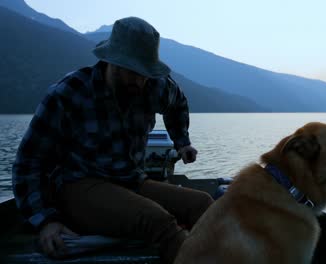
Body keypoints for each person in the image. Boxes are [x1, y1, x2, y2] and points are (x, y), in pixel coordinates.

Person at [11, 17, 213, 263]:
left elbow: (178, 104)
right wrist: (45, 221)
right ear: (110, 61)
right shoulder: (69, 93)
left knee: (204, 205)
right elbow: (29, 163)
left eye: (145, 73)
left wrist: (182, 141)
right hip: (78, 185)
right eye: (131, 71)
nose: (139, 81)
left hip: (130, 179)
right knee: (158, 221)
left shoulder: (155, 86)